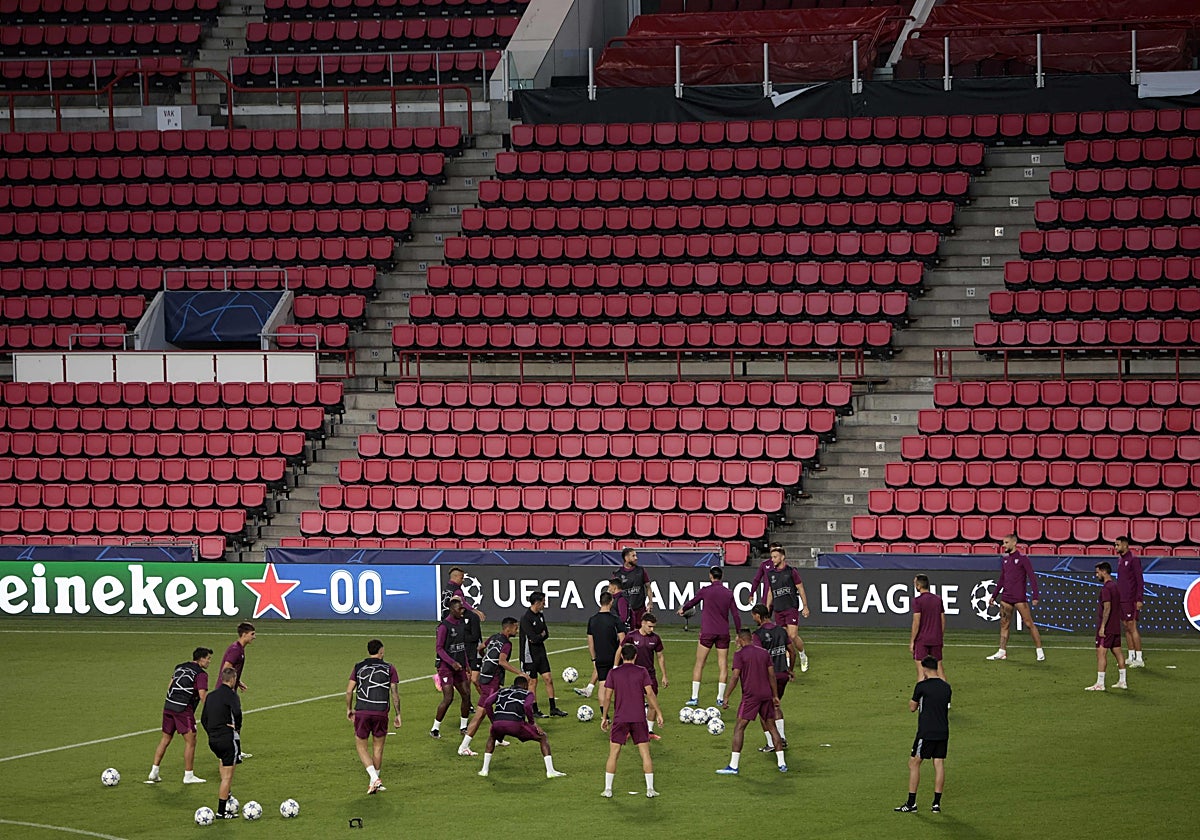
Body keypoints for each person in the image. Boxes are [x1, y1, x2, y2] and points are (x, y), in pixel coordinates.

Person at [716, 629, 786, 775]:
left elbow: (735, 677)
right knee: (772, 727)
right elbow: (771, 675)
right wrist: (775, 695)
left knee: (739, 728)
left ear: (742, 640)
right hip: (766, 694)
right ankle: (782, 763)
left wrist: (726, 696)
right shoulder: (763, 653)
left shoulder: (739, 655)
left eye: (737, 640)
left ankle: (733, 766)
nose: (735, 642)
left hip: (751, 697)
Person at [600, 644, 664, 798]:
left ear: (621, 656)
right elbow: (650, 693)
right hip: (638, 718)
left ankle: (608, 789)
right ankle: (650, 789)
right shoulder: (642, 671)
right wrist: (659, 713)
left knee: (613, 753)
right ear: (635, 656)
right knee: (645, 753)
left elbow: (607, 696)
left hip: (620, 718)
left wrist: (604, 717)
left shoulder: (613, 673)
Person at [677, 565, 742, 706]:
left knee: (699, 663)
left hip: (707, 631)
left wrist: (683, 609)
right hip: (723, 632)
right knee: (723, 665)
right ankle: (719, 698)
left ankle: (694, 697)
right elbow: (736, 615)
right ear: (721, 576)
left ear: (710, 576)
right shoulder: (728, 593)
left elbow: (692, 602)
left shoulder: (705, 591)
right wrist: (739, 633)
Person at [147, 647, 212, 785]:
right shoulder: (201, 674)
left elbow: (170, 685)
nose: (209, 661)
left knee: (165, 738)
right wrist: (212, 710)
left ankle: (154, 771)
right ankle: (188, 775)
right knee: (191, 741)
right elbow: (202, 696)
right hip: (182, 709)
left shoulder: (180, 667)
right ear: (201, 659)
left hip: (169, 705)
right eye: (208, 658)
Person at [459, 617, 524, 757]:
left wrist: (485, 659)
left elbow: (480, 648)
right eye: (515, 628)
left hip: (485, 677)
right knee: (480, 714)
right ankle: (463, 746)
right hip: (491, 682)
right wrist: (520, 673)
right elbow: (502, 662)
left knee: (492, 709)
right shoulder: (506, 644)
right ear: (508, 628)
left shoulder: (494, 638)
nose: (517, 630)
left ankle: (498, 738)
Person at [477, 676, 566, 779]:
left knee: (492, 737)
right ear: (525, 685)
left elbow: (487, 702)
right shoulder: (527, 694)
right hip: (515, 724)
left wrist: (494, 720)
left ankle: (484, 770)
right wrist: (532, 723)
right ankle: (551, 771)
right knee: (542, 737)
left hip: (498, 723)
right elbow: (527, 706)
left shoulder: (502, 691)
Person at [894, 656, 951, 813]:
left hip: (926, 732)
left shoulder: (922, 687)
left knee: (914, 763)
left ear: (925, 669)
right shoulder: (946, 687)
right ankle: (936, 804)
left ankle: (911, 803)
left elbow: (912, 707)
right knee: (938, 764)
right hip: (943, 731)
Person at [346, 639, 401, 795]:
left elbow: (349, 691)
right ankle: (374, 781)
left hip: (362, 710)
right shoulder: (390, 668)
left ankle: (373, 778)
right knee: (378, 748)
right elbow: (395, 694)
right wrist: (398, 714)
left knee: (361, 747)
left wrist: (349, 709)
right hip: (381, 711)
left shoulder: (358, 667)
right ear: (381, 651)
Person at [986, 535, 1045, 662]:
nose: (1004, 545)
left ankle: (1039, 650)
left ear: (1014, 543)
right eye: (1003, 542)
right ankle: (1002, 651)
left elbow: (1032, 577)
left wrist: (1035, 595)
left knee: (1029, 624)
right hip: (1006, 597)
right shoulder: (1005, 560)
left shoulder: (1023, 559)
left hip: (1019, 598)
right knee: (1004, 625)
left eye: (1006, 542)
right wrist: (994, 596)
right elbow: (1002, 579)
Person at [200, 667, 242, 820]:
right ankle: (221, 811)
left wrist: (212, 732)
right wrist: (237, 728)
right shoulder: (231, 695)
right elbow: (237, 713)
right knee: (227, 777)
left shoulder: (210, 696)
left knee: (222, 762)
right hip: (227, 738)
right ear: (232, 679)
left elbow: (204, 719)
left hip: (213, 741)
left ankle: (227, 797)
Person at [576, 580, 631, 699]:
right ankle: (590, 689)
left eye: (610, 586)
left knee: (608, 675)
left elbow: (623, 618)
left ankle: (601, 704)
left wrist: (615, 626)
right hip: (614, 640)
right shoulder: (615, 609)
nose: (608, 588)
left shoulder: (620, 600)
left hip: (616, 637)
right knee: (610, 674)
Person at [750, 605, 792, 752]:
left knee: (764, 711)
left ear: (758, 615)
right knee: (776, 705)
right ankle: (782, 736)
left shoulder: (758, 634)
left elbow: (758, 657)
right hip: (783, 675)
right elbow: (791, 652)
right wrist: (790, 669)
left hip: (768, 677)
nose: (753, 618)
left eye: (753, 616)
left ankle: (771, 742)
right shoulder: (781, 630)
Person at [442, 567, 487, 702]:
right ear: (455, 577)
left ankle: (445, 674)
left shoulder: (446, 589)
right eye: (461, 578)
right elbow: (462, 602)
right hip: (452, 626)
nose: (462, 581)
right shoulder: (456, 590)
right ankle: (444, 676)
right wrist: (475, 611)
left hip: (445, 623)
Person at [520, 591, 567, 717]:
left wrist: (538, 636)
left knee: (548, 679)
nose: (545, 604)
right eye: (543, 602)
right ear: (537, 602)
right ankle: (534, 710)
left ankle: (553, 709)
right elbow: (533, 638)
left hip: (541, 653)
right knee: (532, 683)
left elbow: (546, 633)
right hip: (529, 655)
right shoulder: (526, 618)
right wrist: (539, 636)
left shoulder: (540, 616)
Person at [765, 546, 811, 673]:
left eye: (775, 557)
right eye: (772, 557)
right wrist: (767, 607)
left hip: (790, 607)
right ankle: (787, 664)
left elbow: (800, 589)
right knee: (783, 638)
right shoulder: (771, 574)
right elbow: (770, 592)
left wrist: (805, 606)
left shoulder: (791, 571)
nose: (773, 559)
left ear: (782, 557)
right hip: (778, 609)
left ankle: (802, 655)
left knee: (792, 635)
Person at [433, 597, 473, 739]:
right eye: (459, 609)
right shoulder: (444, 626)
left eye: (462, 608)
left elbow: (462, 647)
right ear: (452, 610)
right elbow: (439, 648)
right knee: (448, 697)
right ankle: (435, 728)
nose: (462, 611)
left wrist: (467, 664)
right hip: (446, 667)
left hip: (460, 666)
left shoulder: (461, 623)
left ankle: (463, 726)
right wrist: (452, 662)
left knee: (466, 695)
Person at [1086, 562, 1128, 692]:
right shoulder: (1115, 587)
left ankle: (1100, 683)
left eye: (1098, 572)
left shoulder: (1106, 589)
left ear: (1104, 572)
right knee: (1118, 652)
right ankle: (1123, 681)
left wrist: (1103, 626)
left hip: (1108, 627)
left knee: (1101, 653)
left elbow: (1107, 608)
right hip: (1116, 626)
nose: (1096, 575)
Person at [626, 613, 668, 740]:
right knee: (631, 704)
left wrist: (664, 675)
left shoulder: (655, 638)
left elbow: (660, 656)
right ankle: (629, 730)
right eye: (650, 626)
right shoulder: (632, 636)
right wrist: (617, 667)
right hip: (633, 675)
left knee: (652, 703)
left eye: (653, 627)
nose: (652, 629)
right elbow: (621, 651)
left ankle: (649, 731)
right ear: (643, 623)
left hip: (649, 675)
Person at [220, 621, 255, 759]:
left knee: (236, 719)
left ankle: (237, 750)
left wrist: (238, 681)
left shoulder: (239, 648)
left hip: (230, 689)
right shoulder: (236, 649)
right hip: (226, 692)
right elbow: (226, 668)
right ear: (244, 634)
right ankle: (232, 751)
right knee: (232, 721)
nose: (254, 637)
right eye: (252, 634)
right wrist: (228, 686)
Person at [1114, 536, 1145, 668]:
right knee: (1126, 628)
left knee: (1132, 627)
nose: (1116, 547)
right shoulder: (1120, 560)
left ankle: (1139, 659)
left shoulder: (1134, 560)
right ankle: (1131, 656)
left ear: (1125, 545)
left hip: (1131, 599)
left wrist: (1139, 599)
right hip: (1122, 599)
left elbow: (1139, 580)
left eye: (1117, 545)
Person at [910, 575, 946, 681]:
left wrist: (912, 641)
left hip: (922, 639)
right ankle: (945, 694)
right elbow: (942, 620)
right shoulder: (938, 599)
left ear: (919, 585)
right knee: (939, 670)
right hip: (936, 638)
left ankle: (920, 697)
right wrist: (940, 636)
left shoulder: (918, 601)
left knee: (922, 673)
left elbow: (916, 622)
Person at [613, 548, 652, 628]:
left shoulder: (641, 571)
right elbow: (612, 591)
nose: (636, 558)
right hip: (625, 610)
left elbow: (648, 587)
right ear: (626, 558)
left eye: (636, 555)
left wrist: (650, 602)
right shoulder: (617, 574)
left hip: (640, 609)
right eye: (633, 556)